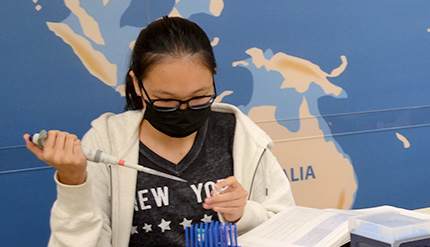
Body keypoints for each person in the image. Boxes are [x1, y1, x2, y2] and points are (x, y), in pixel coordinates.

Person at [26, 16, 295, 246]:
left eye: (200, 97)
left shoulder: (240, 136)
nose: (183, 110)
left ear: (213, 75)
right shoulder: (106, 143)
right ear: (137, 84)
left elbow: (289, 228)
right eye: (166, 100)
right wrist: (73, 182)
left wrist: (244, 214)